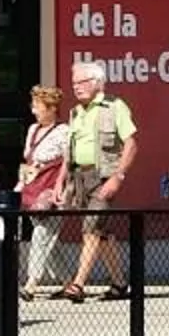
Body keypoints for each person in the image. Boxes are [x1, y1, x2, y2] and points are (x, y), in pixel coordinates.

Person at [61, 60, 140, 303]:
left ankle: (78, 284)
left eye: (82, 82)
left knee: (92, 229)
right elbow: (68, 154)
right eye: (74, 83)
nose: (76, 87)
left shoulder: (114, 106)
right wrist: (61, 184)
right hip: (80, 178)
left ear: (97, 82)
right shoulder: (75, 112)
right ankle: (119, 283)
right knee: (102, 232)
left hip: (103, 176)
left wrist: (118, 177)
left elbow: (131, 144)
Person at [17, 84, 72, 296]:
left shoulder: (64, 131)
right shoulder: (32, 130)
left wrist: (62, 188)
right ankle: (68, 282)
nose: (34, 111)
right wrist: (20, 187)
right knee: (49, 238)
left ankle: (32, 281)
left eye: (38, 106)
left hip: (52, 190)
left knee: (41, 234)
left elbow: (68, 162)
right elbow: (28, 161)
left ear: (51, 108)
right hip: (32, 187)